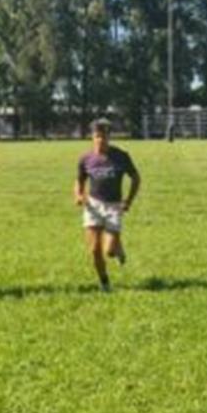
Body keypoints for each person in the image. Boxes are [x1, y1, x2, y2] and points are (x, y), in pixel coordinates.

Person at [74, 119, 140, 292]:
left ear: (109, 137)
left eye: (104, 136)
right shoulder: (86, 159)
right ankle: (104, 283)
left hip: (113, 206)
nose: (101, 140)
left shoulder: (121, 156)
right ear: (92, 137)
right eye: (97, 136)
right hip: (93, 205)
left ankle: (117, 247)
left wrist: (128, 200)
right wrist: (79, 195)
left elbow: (135, 178)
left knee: (108, 251)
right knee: (94, 250)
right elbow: (79, 180)